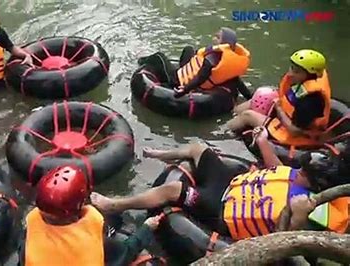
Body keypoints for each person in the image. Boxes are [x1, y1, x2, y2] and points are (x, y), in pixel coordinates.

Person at [91, 127, 349, 244]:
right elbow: (278, 171)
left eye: (304, 171)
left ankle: (114, 203)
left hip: (223, 211)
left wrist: (299, 215)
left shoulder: (316, 211)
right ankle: (160, 153)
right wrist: (264, 143)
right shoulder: (303, 177)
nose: (299, 171)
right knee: (198, 148)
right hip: (232, 185)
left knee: (173, 191)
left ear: (317, 184)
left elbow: (289, 243)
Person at [18, 165, 162, 266]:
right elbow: (125, 253)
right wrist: (147, 228)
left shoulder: (30, 231)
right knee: (115, 222)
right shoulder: (92, 240)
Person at [226, 49, 331, 147]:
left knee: (247, 115)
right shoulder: (308, 82)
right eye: (292, 68)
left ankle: (222, 132)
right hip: (290, 116)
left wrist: (279, 109)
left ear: (309, 74)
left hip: (293, 136)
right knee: (259, 97)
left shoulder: (310, 102)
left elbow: (294, 131)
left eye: (296, 71)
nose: (290, 73)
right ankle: (231, 116)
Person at [138, 27, 252, 100]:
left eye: (217, 37)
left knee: (159, 56)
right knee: (189, 49)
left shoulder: (211, 58)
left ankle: (140, 60)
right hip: (191, 74)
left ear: (224, 42)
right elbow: (238, 82)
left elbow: (200, 78)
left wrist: (185, 89)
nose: (213, 39)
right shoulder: (226, 62)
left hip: (178, 79)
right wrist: (250, 97)